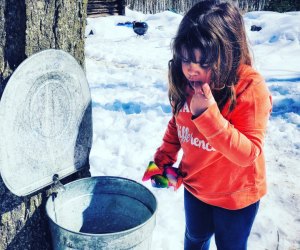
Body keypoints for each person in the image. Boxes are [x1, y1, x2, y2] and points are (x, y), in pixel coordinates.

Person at [142, 1, 272, 249]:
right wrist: (163, 158)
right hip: (196, 187)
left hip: (236, 196)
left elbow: (248, 153)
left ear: (228, 56)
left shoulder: (250, 87)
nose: (192, 70)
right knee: (195, 239)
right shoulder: (187, 82)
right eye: (186, 59)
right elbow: (178, 123)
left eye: (204, 63)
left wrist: (208, 116)